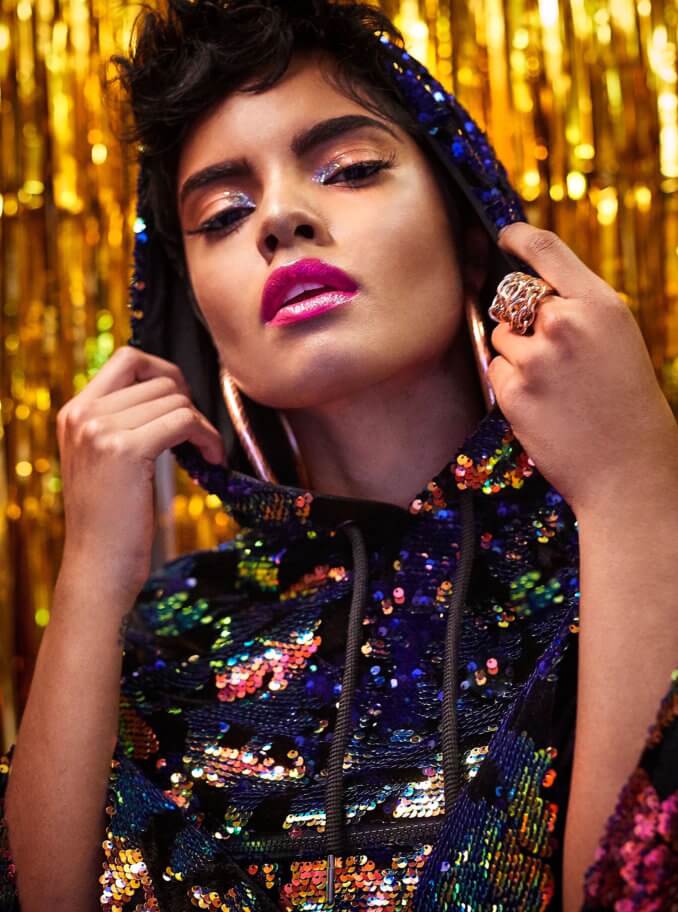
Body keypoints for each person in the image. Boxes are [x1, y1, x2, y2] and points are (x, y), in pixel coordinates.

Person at [1, 1, 677, 909]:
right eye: (223, 213)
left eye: (350, 168)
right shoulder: (164, 637)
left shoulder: (634, 546)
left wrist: (633, 489)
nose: (279, 218)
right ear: (196, 311)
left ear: (470, 235)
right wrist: (89, 575)